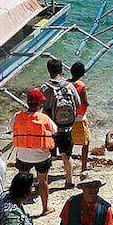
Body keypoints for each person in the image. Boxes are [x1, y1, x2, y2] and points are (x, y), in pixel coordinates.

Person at [10, 89, 57, 215]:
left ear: (27, 102)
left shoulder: (17, 116)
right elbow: (54, 130)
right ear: (40, 103)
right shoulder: (45, 118)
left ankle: (18, 207)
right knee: (43, 181)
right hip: (41, 156)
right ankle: (45, 208)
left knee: (22, 182)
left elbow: (11, 127)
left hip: (23, 156)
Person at [40, 58, 82, 189]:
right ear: (62, 70)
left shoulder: (45, 88)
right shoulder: (70, 86)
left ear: (49, 71)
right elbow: (78, 104)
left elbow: (42, 107)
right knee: (66, 155)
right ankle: (69, 181)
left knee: (47, 156)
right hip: (67, 127)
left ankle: (43, 181)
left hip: (51, 129)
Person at [69, 61, 92, 174]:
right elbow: (85, 102)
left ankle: (68, 165)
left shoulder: (66, 83)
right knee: (86, 143)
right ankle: (83, 167)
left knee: (70, 143)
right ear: (82, 73)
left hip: (68, 118)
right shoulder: (81, 86)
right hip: (80, 118)